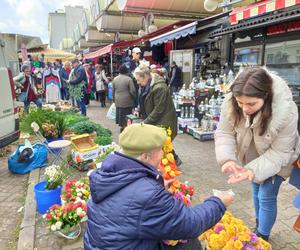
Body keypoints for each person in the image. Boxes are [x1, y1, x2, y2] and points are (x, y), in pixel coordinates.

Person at [84, 123, 233, 250]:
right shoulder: (148, 194)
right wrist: (218, 202)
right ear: (145, 156)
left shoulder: (107, 171)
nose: (163, 153)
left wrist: (155, 185)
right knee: (188, 243)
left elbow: (130, 202)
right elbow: (189, 224)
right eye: (160, 149)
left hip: (102, 245)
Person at [215, 67, 299, 241]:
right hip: (251, 156)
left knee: (266, 195)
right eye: (240, 102)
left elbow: (280, 152)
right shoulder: (231, 101)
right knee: (255, 190)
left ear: (266, 96)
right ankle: (259, 224)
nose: (244, 109)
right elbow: (224, 132)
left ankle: (262, 236)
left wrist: (252, 170)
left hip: (279, 158)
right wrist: (227, 159)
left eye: (251, 104)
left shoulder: (286, 111)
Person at [134, 66, 182, 166]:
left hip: (164, 121)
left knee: (162, 144)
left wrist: (145, 122)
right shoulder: (145, 85)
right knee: (161, 144)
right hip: (155, 120)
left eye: (138, 80)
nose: (137, 82)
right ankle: (171, 162)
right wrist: (138, 109)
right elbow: (143, 99)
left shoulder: (160, 88)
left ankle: (171, 165)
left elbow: (158, 110)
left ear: (146, 76)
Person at [113, 64, 136, 132]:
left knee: (120, 115)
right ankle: (125, 127)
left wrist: (114, 100)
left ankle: (122, 126)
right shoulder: (129, 79)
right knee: (127, 115)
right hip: (127, 101)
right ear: (126, 71)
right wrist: (134, 98)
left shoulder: (115, 79)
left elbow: (113, 90)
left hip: (118, 100)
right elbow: (133, 91)